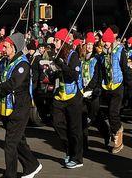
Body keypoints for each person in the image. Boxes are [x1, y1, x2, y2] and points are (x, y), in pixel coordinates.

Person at [0, 32, 42, 178]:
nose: (3, 49)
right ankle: (32, 165)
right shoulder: (6, 61)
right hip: (7, 107)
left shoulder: (22, 64)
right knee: (18, 141)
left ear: (14, 47)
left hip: (20, 108)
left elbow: (12, 84)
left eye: (6, 47)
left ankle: (10, 175)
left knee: (10, 144)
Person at [48, 29, 84, 168]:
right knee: (57, 123)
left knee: (75, 128)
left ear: (63, 42)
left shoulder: (72, 56)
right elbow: (57, 76)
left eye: (57, 41)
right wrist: (51, 71)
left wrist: (61, 65)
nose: (54, 43)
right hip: (60, 95)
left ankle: (77, 158)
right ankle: (68, 149)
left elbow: (73, 76)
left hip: (73, 96)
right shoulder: (56, 55)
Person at [95, 29, 126, 153]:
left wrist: (129, 87)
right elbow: (102, 71)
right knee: (110, 113)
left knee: (113, 113)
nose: (106, 43)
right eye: (105, 41)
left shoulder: (119, 51)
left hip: (118, 86)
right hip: (107, 87)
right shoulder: (103, 55)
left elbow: (125, 69)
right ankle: (117, 130)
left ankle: (118, 138)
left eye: (108, 41)